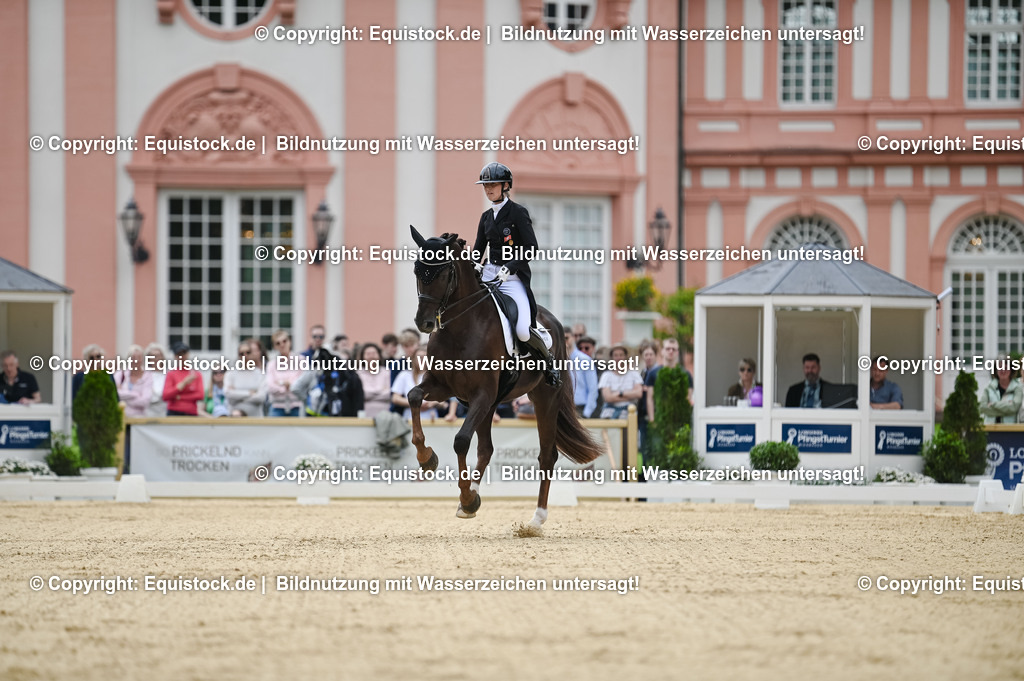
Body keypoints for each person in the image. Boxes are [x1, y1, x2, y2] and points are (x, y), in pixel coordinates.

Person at [472, 161, 559, 387]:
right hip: (489, 275)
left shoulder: (518, 213)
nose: (488, 189)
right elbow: (478, 250)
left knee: (521, 330)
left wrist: (510, 266)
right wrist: (473, 265)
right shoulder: (486, 217)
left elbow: (531, 248)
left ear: (506, 185)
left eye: (493, 184)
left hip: (511, 279)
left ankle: (548, 361)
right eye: (485, 185)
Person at [645, 338, 693, 423]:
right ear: (662, 351)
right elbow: (650, 399)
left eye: (674, 349)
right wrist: (652, 420)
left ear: (677, 352)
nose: (671, 351)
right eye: (668, 349)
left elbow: (688, 398)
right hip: (659, 419)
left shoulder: (685, 374)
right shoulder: (653, 374)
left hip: (679, 420)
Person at [391, 348, 442, 420]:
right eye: (419, 357)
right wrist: (415, 404)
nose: (421, 360)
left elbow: (443, 400)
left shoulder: (435, 376)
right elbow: (395, 398)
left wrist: (433, 403)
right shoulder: (404, 375)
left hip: (431, 416)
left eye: (425, 357)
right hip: (410, 416)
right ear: (413, 359)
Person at [598, 344, 644, 419]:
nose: (619, 358)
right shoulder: (606, 376)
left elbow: (639, 393)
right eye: (616, 355)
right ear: (612, 358)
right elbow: (607, 398)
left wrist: (619, 393)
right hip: (609, 414)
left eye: (621, 355)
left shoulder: (634, 374)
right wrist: (630, 396)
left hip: (629, 414)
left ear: (625, 357)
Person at [264, 330, 303, 417]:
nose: (282, 345)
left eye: (284, 341)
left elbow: (302, 383)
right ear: (274, 346)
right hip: (277, 406)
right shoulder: (272, 365)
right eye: (278, 343)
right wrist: (286, 385)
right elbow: (270, 386)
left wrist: (281, 383)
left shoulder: (301, 360)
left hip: (297, 405)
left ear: (290, 342)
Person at [162, 341, 204, 416]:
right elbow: (166, 395)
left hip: (191, 412)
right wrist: (184, 383)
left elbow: (200, 395)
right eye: (179, 354)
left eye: (184, 353)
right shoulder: (171, 374)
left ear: (188, 354)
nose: (182, 356)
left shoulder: (195, 374)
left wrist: (180, 397)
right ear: (175, 356)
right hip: (174, 412)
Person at [225, 340, 265, 416]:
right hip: (236, 418)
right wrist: (249, 393)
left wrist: (237, 396)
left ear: (252, 353)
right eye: (241, 353)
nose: (245, 355)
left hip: (256, 418)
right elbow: (229, 395)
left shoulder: (260, 374)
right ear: (238, 355)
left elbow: (261, 397)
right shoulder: (231, 374)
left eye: (248, 352)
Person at [979, 359, 1023, 424]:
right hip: (990, 429)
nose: (1003, 370)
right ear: (996, 370)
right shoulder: (988, 387)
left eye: (1006, 368)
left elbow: (1014, 407)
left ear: (1011, 370)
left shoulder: (1017, 387)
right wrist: (1007, 408)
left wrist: (993, 404)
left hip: (1010, 429)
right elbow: (982, 407)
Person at [113, 345, 153, 417]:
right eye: (133, 358)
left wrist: (124, 398)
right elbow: (115, 394)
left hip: (139, 420)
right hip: (120, 417)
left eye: (139, 358)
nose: (136, 361)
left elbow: (145, 402)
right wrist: (136, 394)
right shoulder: (120, 374)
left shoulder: (148, 376)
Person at [356, 343, 392, 418]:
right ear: (363, 357)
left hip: (386, 415)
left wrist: (370, 394)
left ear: (379, 356)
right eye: (368, 354)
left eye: (374, 353)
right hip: (365, 415)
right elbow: (361, 395)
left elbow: (390, 394)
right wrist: (380, 391)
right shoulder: (358, 374)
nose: (371, 356)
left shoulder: (387, 372)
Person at [567, 332, 597, 418]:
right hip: (562, 408)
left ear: (572, 338)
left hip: (580, 408)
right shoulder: (557, 360)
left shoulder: (584, 360)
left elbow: (593, 388)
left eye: (566, 338)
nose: (564, 341)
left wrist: (586, 413)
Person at [144, 342, 169, 417]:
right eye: (153, 356)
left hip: (165, 412)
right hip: (148, 412)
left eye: (158, 356)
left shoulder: (168, 375)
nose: (156, 359)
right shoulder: (144, 375)